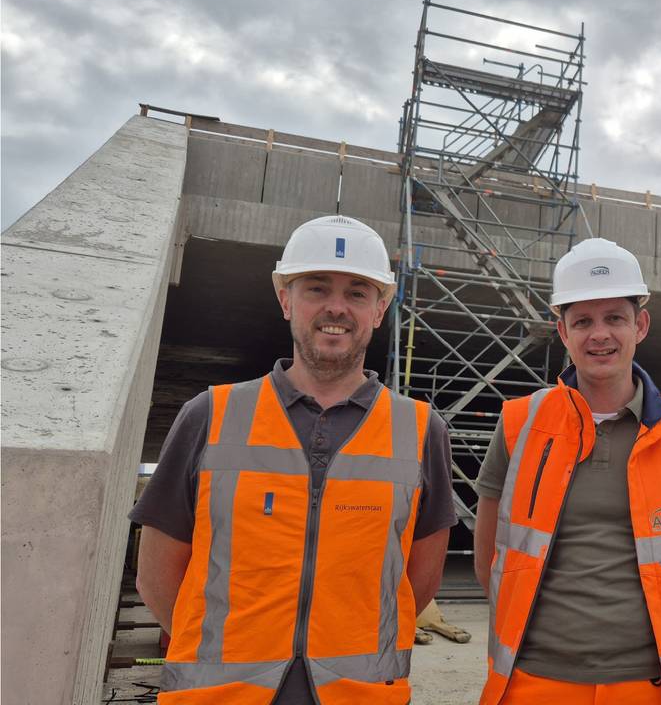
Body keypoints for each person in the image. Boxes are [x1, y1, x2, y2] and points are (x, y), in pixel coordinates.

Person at [131, 215, 456, 704]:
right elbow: (157, 573)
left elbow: (419, 581)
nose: (336, 308)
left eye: (358, 293)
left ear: (380, 309)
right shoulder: (210, 415)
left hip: (359, 695)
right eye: (317, 288)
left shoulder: (420, 429)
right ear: (286, 300)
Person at [472, 238, 661, 705]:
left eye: (614, 318)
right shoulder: (519, 426)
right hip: (533, 677)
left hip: (649, 681)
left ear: (640, 325)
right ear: (563, 331)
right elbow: (489, 554)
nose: (599, 335)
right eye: (583, 321)